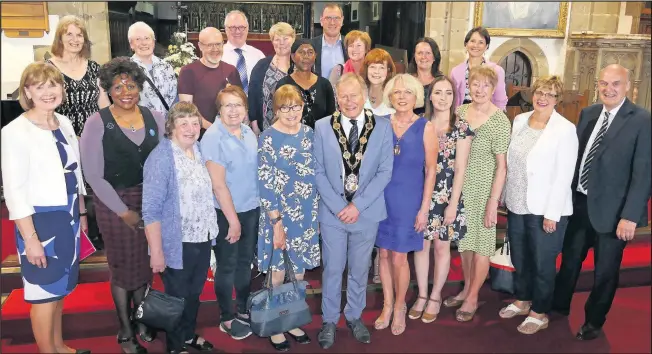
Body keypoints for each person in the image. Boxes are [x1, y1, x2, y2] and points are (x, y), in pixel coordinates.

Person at [553, 64, 651, 340]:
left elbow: (643, 173)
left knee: (605, 273)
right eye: (604, 83)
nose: (608, 89)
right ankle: (558, 306)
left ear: (628, 86)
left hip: (614, 213)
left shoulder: (642, 120)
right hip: (580, 204)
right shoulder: (588, 113)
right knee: (569, 262)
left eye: (615, 84)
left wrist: (630, 216)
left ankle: (594, 321)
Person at [1, 62, 89, 354]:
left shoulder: (63, 122)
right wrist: (30, 240)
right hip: (40, 224)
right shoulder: (15, 132)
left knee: (61, 287)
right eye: (39, 86)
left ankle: (59, 346)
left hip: (69, 217)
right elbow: (14, 192)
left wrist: (82, 215)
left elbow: (74, 175)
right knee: (43, 292)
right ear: (27, 91)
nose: (48, 92)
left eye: (53, 84)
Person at [80, 57, 166, 353]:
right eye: (118, 86)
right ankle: (125, 328)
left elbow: (167, 159)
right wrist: (123, 211)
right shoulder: (96, 122)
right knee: (122, 268)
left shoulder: (155, 116)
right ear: (108, 90)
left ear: (139, 87)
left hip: (150, 200)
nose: (125, 91)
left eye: (131, 84)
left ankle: (142, 318)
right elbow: (92, 174)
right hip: (113, 203)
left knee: (143, 264)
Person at [313, 73, 394, 349]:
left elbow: (384, 172)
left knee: (359, 269)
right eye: (343, 96)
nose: (349, 101)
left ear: (364, 96)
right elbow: (319, 171)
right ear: (337, 97)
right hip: (333, 213)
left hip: (366, 212)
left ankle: (355, 315)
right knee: (333, 269)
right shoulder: (323, 126)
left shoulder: (381, 127)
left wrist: (357, 205)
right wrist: (339, 207)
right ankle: (328, 320)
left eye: (354, 95)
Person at [499, 76, 578, 334]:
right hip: (517, 203)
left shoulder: (565, 129)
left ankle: (540, 310)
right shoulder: (520, 121)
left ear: (557, 99)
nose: (543, 98)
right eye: (539, 93)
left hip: (546, 209)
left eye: (550, 94)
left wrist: (552, 214)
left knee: (543, 261)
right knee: (520, 257)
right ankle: (523, 299)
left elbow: (564, 175)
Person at [142, 102, 218, 354]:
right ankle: (175, 347)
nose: (191, 128)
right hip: (177, 240)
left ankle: (187, 335)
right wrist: (156, 251)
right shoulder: (162, 157)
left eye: (195, 123)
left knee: (194, 294)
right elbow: (151, 210)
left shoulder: (198, 149)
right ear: (171, 127)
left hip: (202, 235)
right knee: (177, 297)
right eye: (183, 123)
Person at [443, 66, 511, 322]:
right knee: (465, 242)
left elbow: (502, 166)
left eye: (486, 86)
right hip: (460, 187)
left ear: (493, 89)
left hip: (484, 189)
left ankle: (473, 296)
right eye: (475, 84)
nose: (480, 89)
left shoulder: (500, 120)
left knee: (482, 244)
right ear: (468, 86)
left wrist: (494, 201)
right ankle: (467, 287)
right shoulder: (460, 112)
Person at [257, 84, 320, 351]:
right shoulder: (268, 137)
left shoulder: (310, 134)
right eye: (285, 106)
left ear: (303, 107)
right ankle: (275, 324)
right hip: (279, 216)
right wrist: (276, 222)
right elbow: (265, 181)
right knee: (278, 272)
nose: (291, 111)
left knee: (299, 270)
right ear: (276, 109)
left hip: (307, 214)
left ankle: (291, 318)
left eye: (296, 106)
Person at [374, 74, 437, 335]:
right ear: (390, 97)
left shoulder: (426, 127)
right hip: (381, 197)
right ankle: (387, 305)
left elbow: (431, 170)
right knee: (384, 254)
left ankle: (400, 306)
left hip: (409, 199)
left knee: (400, 256)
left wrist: (424, 208)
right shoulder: (379, 124)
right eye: (397, 92)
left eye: (407, 92)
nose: (402, 97)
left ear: (416, 97)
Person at [411, 76, 473, 324]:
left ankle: (436, 295)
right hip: (422, 193)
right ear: (430, 96)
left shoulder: (461, 127)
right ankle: (422, 295)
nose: (443, 98)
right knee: (421, 245)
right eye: (438, 92)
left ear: (454, 97)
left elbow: (461, 170)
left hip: (447, 195)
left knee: (441, 246)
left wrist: (453, 204)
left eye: (448, 93)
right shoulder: (421, 124)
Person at [200, 85, 259, 341]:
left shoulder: (248, 132)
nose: (234, 110)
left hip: (251, 208)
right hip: (226, 213)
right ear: (219, 110)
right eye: (228, 105)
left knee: (245, 262)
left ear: (246, 110)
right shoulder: (213, 136)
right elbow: (218, 184)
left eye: (238, 105)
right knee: (227, 265)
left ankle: (243, 308)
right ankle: (226, 316)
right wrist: (233, 221)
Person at [46, 15, 110, 135]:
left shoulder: (94, 67)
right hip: (61, 135)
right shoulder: (47, 69)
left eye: (79, 35)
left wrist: (109, 128)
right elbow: (43, 109)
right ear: (60, 38)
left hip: (94, 134)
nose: (75, 39)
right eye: (69, 34)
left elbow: (103, 102)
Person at [178, 27, 242, 133]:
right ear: (200, 46)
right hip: (200, 136)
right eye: (210, 45)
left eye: (218, 44)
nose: (215, 49)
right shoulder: (188, 72)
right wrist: (214, 130)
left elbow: (240, 104)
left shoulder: (231, 71)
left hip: (230, 135)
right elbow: (187, 110)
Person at [276, 39, 336, 129]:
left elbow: (331, 117)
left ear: (315, 56)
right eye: (301, 52)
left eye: (310, 52)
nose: (306, 56)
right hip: (291, 138)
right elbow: (279, 116)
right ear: (293, 57)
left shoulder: (324, 84)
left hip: (320, 139)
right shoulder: (284, 84)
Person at [248, 22, 296, 133]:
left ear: (293, 39)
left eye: (286, 38)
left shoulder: (300, 65)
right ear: (272, 41)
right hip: (266, 128)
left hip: (295, 127)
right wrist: (255, 127)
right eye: (277, 39)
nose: (281, 43)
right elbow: (253, 97)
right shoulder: (261, 65)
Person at [449, 27, 508, 110]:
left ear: (486, 46)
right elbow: (452, 99)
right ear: (466, 44)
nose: (476, 45)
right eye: (472, 41)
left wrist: (497, 119)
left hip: (487, 116)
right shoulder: (455, 71)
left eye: (481, 42)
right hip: (461, 115)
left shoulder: (496, 71)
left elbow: (500, 100)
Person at [128, 21, 177, 114]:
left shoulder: (166, 66)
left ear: (153, 41)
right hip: (141, 123)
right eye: (138, 39)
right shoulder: (127, 69)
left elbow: (173, 97)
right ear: (131, 44)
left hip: (167, 122)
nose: (143, 43)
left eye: (147, 38)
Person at [221, 10, 265, 96]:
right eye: (233, 27)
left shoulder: (258, 55)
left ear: (247, 29)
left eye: (241, 27)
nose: (237, 31)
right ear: (226, 29)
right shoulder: (218, 55)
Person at [407, 38, 443, 116]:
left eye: (428, 53)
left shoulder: (442, 82)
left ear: (434, 57)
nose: (424, 57)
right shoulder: (406, 81)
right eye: (420, 53)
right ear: (414, 56)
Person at [312, 3, 348, 78]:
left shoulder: (350, 44)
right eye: (328, 18)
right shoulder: (311, 45)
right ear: (321, 21)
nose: (332, 22)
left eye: (336, 18)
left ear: (342, 21)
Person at [361, 48, 397, 117]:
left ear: (388, 71)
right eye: (372, 67)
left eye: (382, 68)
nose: (376, 71)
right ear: (366, 69)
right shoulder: (358, 92)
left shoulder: (395, 96)